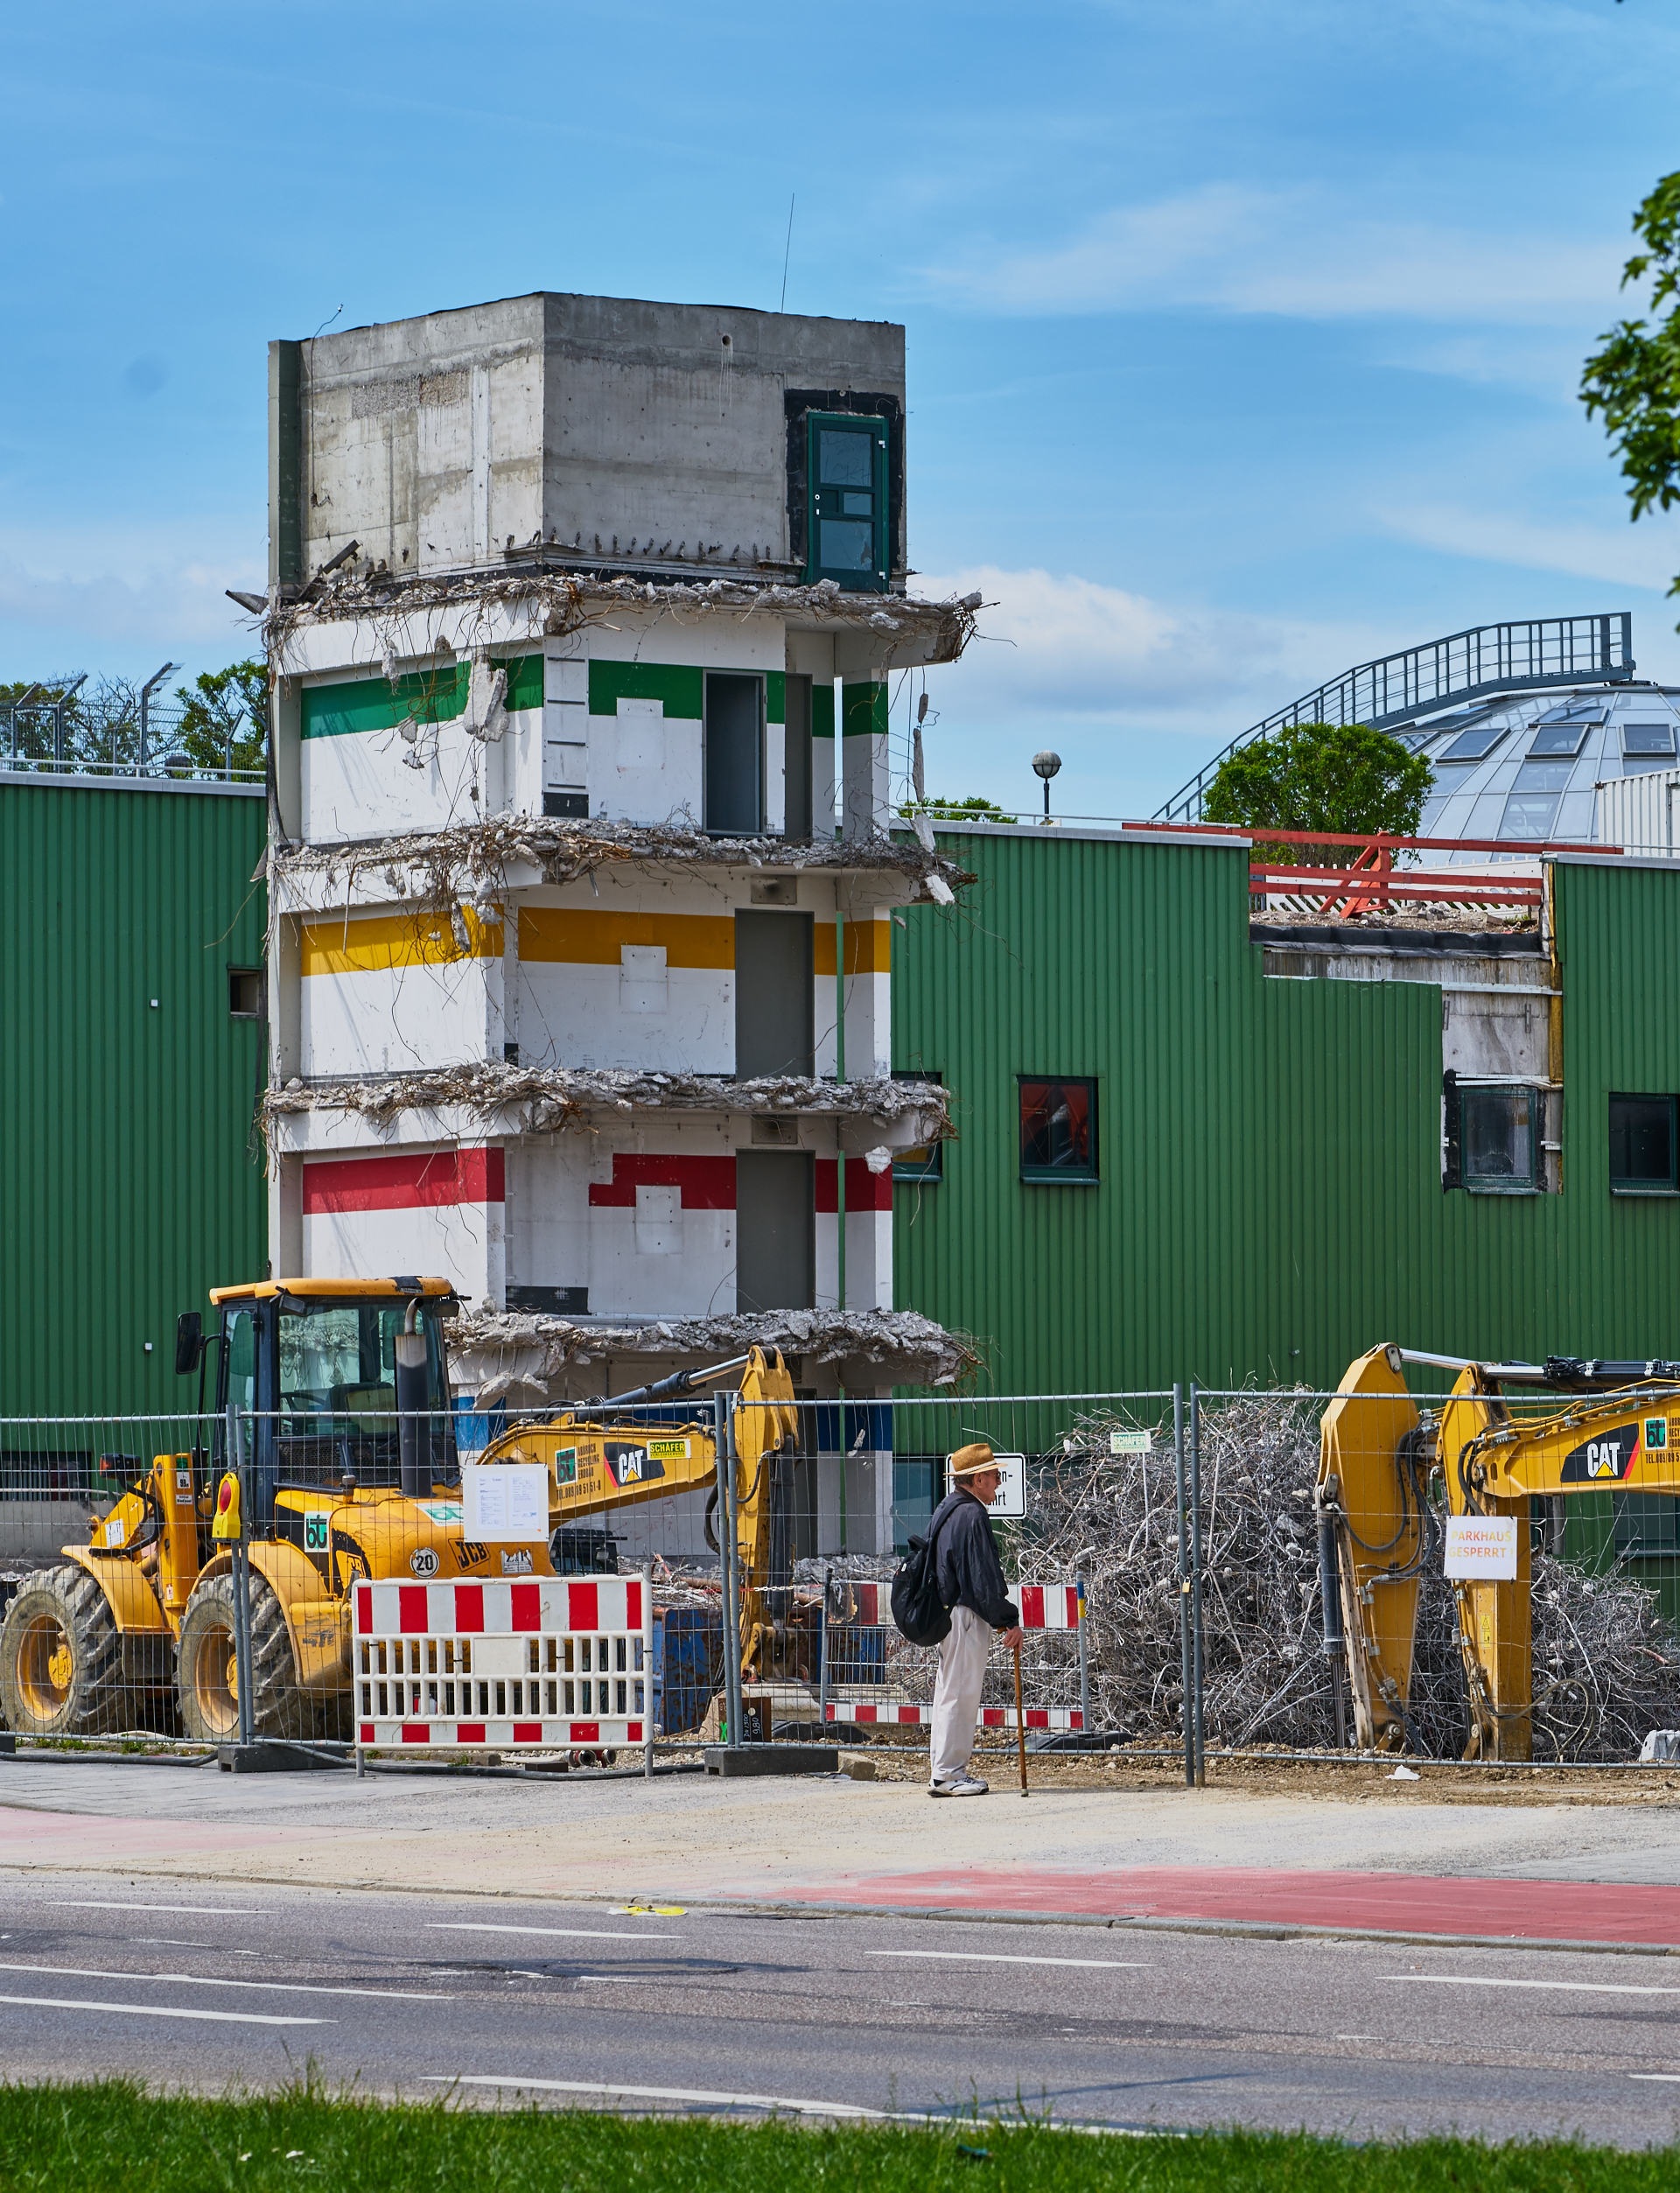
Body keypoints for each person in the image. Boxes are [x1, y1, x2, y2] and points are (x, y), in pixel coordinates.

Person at [927, 1441, 1024, 1797]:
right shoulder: (973, 1515)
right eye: (994, 1476)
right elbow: (982, 1578)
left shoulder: (946, 1509)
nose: (998, 1483)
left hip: (947, 1613)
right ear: (978, 1478)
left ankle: (942, 1771)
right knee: (962, 1693)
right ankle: (949, 1775)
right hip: (966, 1615)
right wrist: (1007, 1620)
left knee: (948, 1691)